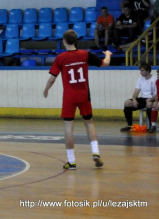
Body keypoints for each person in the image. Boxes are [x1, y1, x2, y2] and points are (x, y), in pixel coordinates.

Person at [43, 30, 111, 170]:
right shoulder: (85, 54)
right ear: (75, 41)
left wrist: (46, 90)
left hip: (69, 97)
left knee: (69, 128)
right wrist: (108, 55)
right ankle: (96, 152)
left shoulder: (60, 58)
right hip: (84, 95)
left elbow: (52, 79)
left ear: (64, 41)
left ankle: (72, 162)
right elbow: (105, 64)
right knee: (89, 123)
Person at [119, 63, 156, 132]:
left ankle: (151, 126)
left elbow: (157, 93)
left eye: (142, 71)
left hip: (152, 98)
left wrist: (151, 99)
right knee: (127, 103)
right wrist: (134, 99)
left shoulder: (154, 79)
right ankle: (129, 125)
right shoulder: (140, 80)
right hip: (143, 98)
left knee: (149, 104)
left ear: (147, 71)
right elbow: (136, 92)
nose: (140, 72)